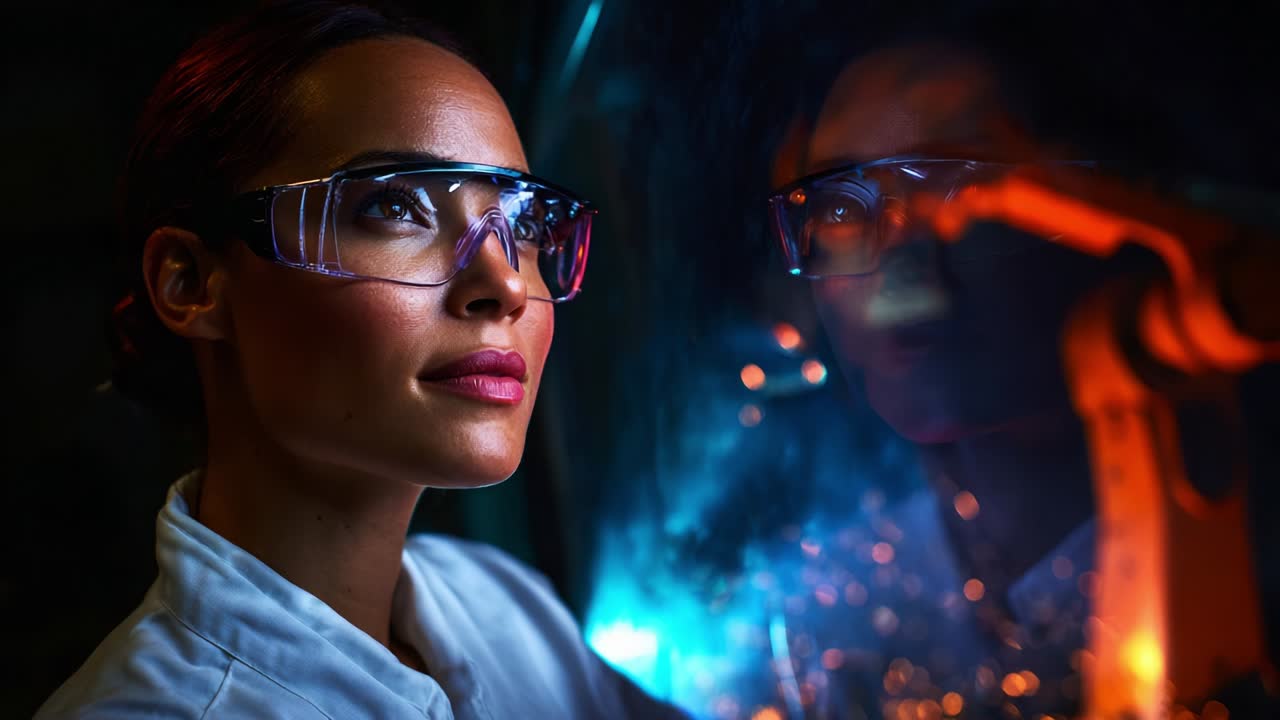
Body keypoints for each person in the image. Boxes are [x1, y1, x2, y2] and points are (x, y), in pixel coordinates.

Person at [37, 2, 685, 718]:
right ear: (190, 283)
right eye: (395, 208)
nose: (503, 284)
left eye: (525, 225)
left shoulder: (506, 610)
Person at [768, 37, 1279, 717]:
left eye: (958, 185)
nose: (899, 262)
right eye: (840, 207)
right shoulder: (820, 609)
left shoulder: (1251, 568)